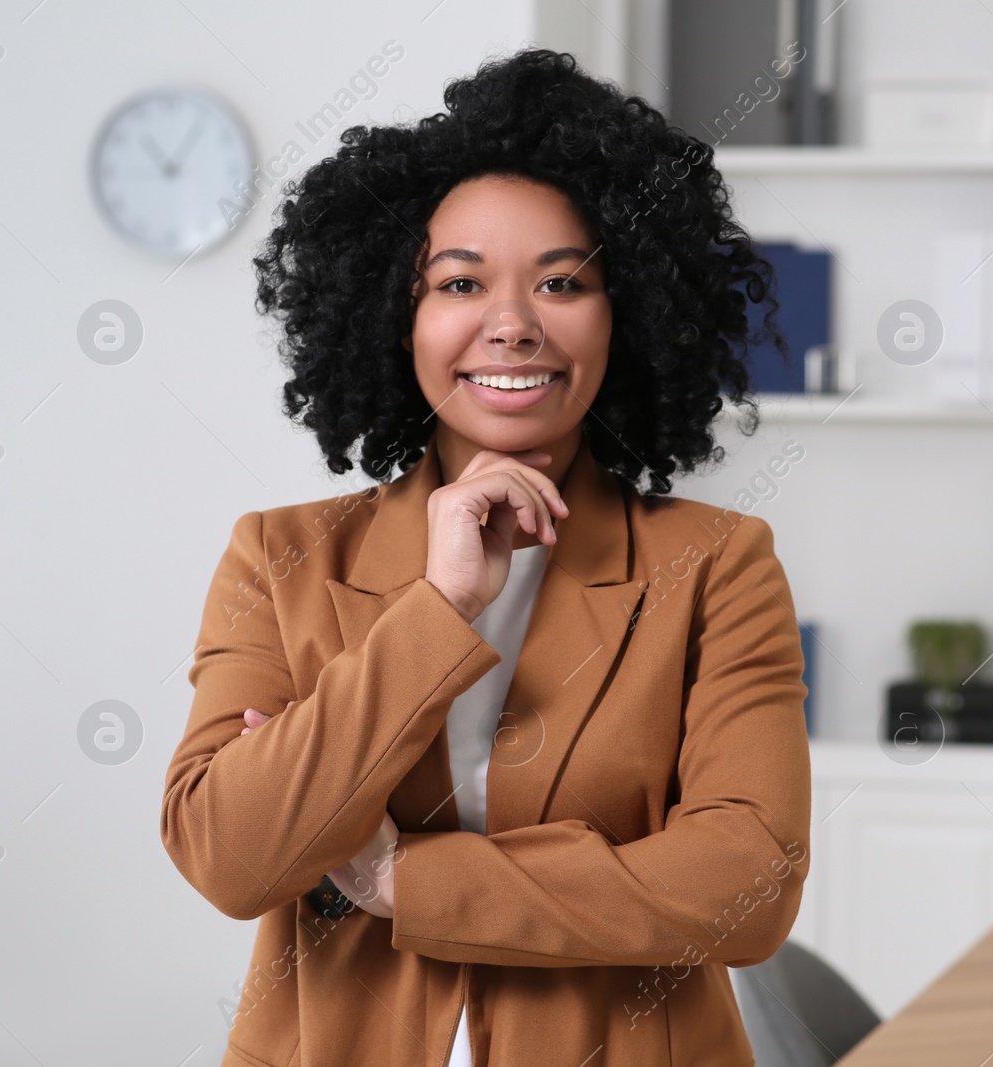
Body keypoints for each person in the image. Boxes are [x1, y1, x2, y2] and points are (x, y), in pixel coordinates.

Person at [160, 47, 812, 1067]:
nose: (510, 324)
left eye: (563, 281)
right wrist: (438, 605)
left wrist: (400, 880)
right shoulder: (279, 556)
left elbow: (748, 882)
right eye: (459, 282)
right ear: (396, 316)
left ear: (628, 312)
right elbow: (231, 854)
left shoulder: (717, 564)